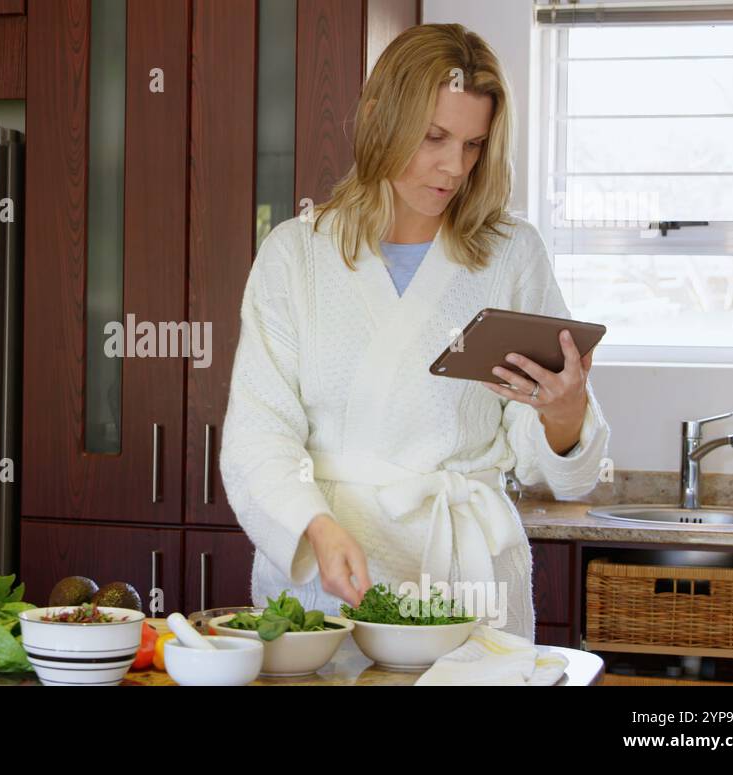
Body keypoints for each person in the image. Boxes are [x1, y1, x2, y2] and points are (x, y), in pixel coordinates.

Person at [219, 23, 610, 642]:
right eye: (434, 137)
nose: (454, 167)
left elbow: (559, 469)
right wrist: (315, 527)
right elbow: (257, 437)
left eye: (474, 144)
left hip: (467, 582)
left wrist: (565, 416)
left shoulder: (511, 254)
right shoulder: (296, 255)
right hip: (326, 587)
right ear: (378, 117)